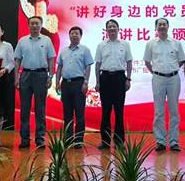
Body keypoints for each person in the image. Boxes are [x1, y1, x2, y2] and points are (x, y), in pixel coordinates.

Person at [144, 18, 185, 152]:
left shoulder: (176, 43)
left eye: (164, 24)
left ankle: (174, 141)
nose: (162, 26)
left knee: (174, 110)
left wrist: (172, 69)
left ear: (168, 26)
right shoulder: (151, 44)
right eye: (159, 24)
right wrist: (156, 73)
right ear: (156, 28)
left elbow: (181, 61)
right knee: (159, 111)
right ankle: (160, 141)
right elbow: (147, 62)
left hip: (173, 78)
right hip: (158, 78)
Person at [14, 16, 56, 149]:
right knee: (24, 109)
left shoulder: (47, 40)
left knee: (40, 108)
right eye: (32, 23)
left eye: (37, 23)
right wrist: (16, 78)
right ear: (28, 25)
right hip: (25, 75)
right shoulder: (22, 41)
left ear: (41, 25)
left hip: (41, 75)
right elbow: (17, 60)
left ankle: (40, 139)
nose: (34, 26)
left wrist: (50, 76)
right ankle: (25, 139)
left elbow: (51, 59)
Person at [95, 19, 133, 149]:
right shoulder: (101, 45)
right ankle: (105, 141)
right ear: (106, 30)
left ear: (118, 29)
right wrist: (97, 82)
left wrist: (128, 79)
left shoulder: (125, 44)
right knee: (105, 111)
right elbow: (98, 64)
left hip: (119, 78)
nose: (112, 29)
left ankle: (119, 141)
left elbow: (129, 62)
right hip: (105, 78)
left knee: (119, 110)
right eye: (109, 27)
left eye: (114, 27)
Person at [55, 26, 93, 147]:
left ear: (80, 36)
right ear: (69, 35)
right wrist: (57, 82)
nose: (74, 35)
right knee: (67, 113)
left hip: (79, 84)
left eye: (77, 33)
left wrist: (86, 82)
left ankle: (78, 140)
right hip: (66, 84)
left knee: (79, 113)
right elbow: (59, 67)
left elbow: (88, 67)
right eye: (72, 33)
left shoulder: (85, 50)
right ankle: (68, 138)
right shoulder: (63, 51)